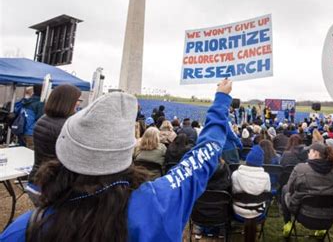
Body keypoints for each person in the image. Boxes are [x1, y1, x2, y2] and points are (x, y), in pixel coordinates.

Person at [0, 79, 236, 242]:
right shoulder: (159, 201)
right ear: (126, 156)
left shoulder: (23, 231)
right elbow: (206, 153)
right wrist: (221, 99)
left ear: (62, 153)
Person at [26, 84, 82, 206]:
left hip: (36, 179)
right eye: (78, 100)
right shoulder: (66, 127)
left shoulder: (43, 119)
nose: (79, 103)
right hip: (53, 186)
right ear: (68, 102)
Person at [281, 143, 333, 237]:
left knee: (285, 189)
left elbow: (290, 188)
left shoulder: (301, 168)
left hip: (304, 215)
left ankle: (287, 223)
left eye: (310, 151)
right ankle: (321, 230)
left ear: (315, 153)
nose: (308, 153)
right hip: (328, 217)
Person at [231, 145, 271, 241]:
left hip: (238, 212)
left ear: (247, 160)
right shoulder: (266, 176)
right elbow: (267, 193)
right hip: (258, 212)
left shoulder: (235, 174)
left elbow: (232, 192)